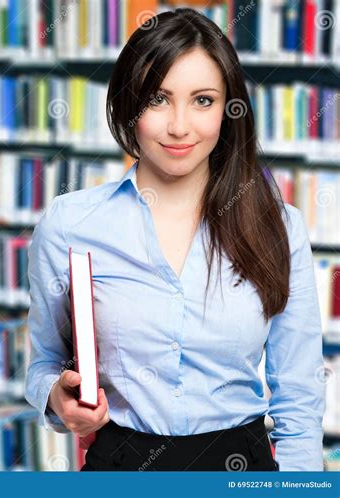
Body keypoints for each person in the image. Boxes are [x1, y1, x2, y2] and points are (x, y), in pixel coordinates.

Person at [24, 8, 326, 471]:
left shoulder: (279, 227)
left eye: (203, 100)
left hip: (237, 466)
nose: (180, 126)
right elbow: (45, 361)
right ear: (129, 105)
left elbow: (299, 397)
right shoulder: (69, 225)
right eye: (158, 99)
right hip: (121, 465)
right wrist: (55, 398)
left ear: (229, 109)